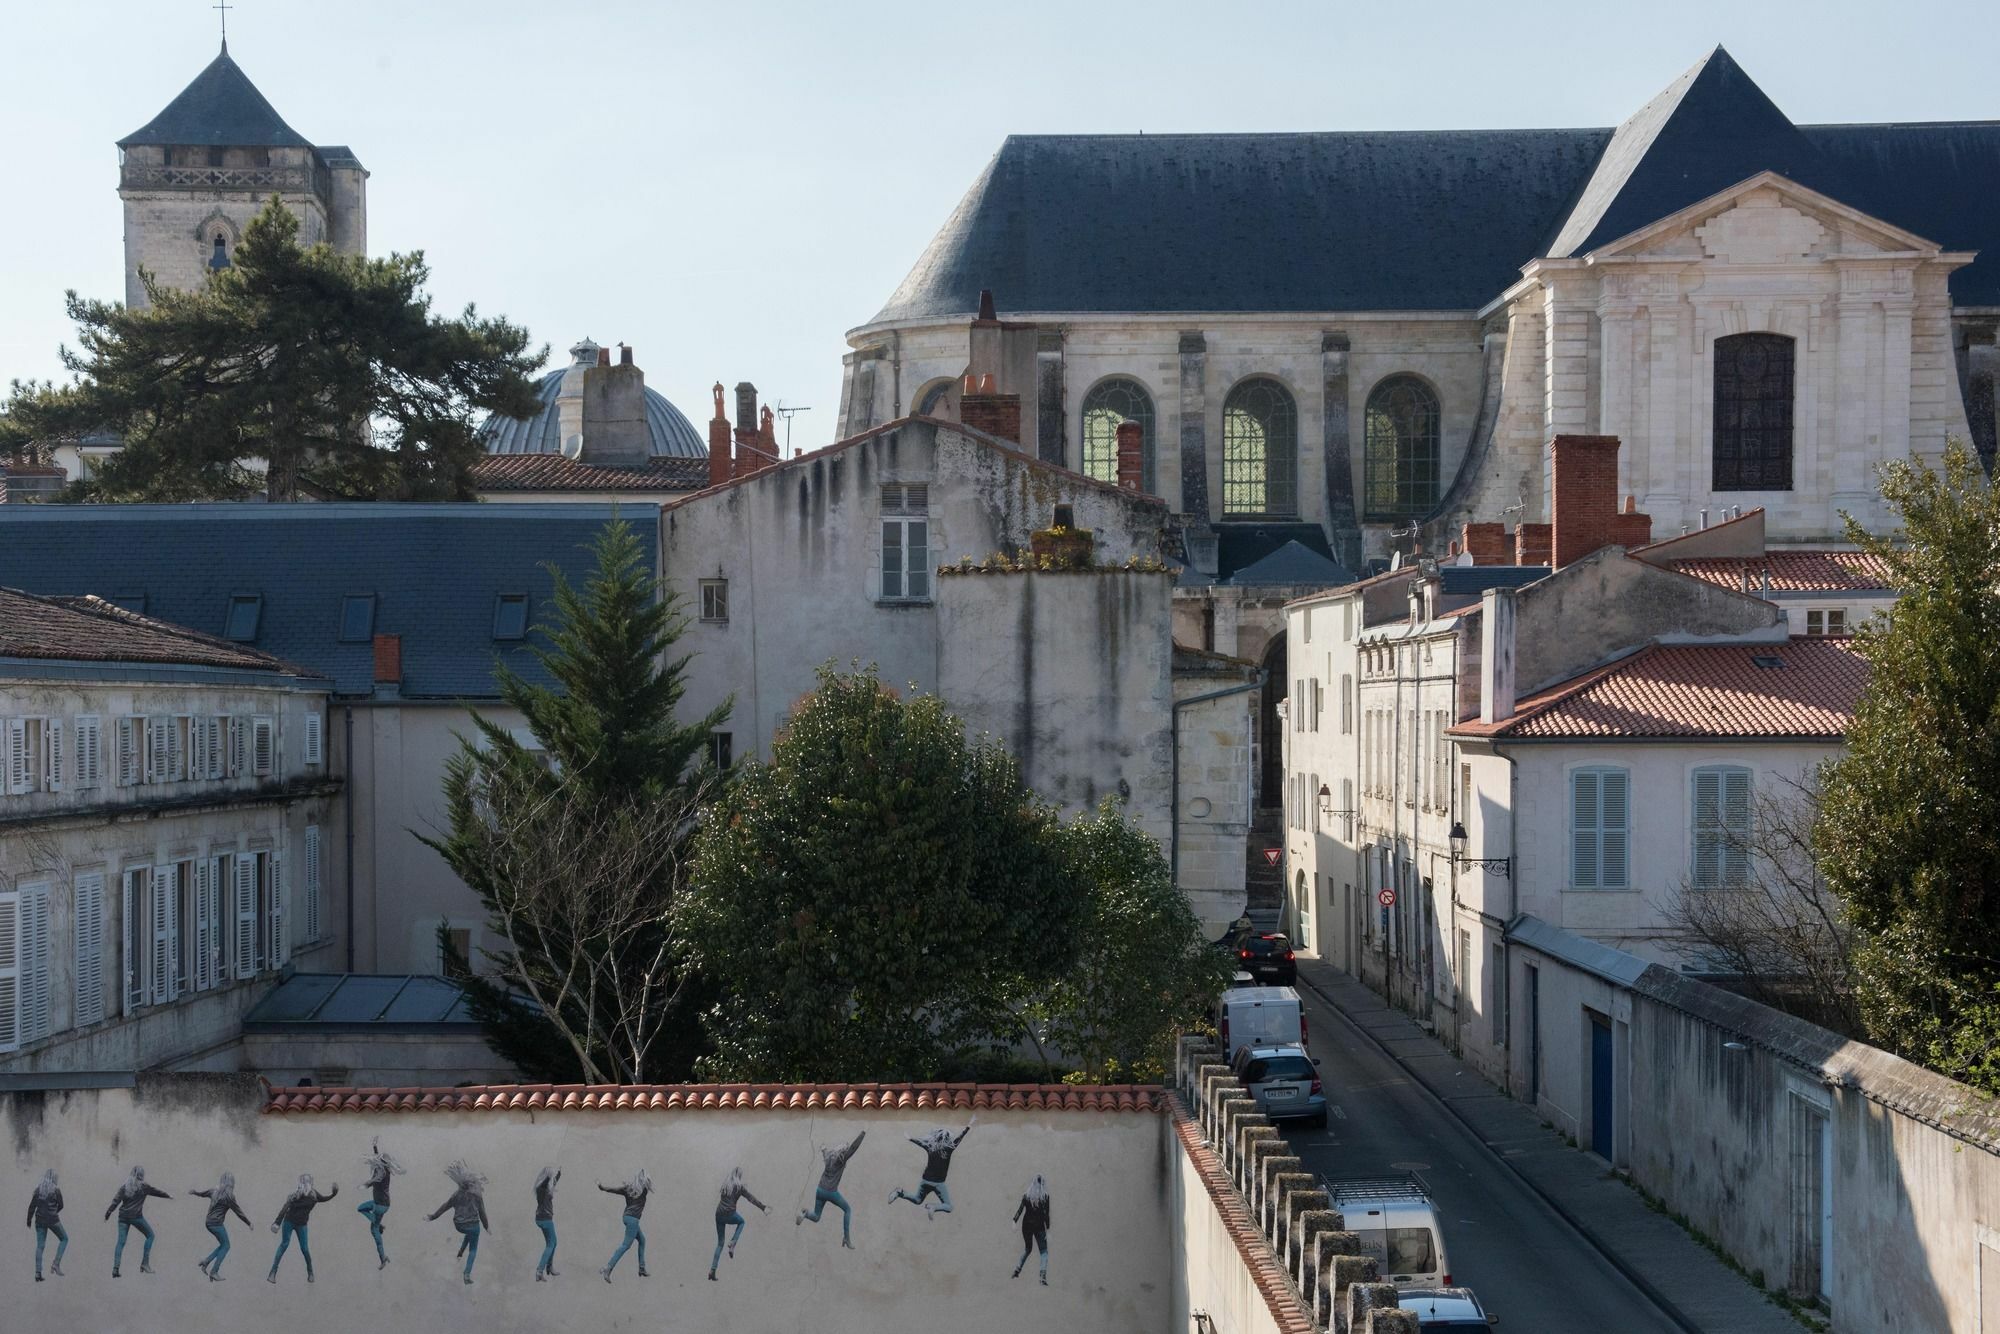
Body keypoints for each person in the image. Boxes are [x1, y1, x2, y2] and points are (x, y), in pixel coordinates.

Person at [889, 1118, 975, 1218]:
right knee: (949, 1207)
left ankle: (900, 1193)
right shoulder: (949, 1148)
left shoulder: (930, 1147)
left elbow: (921, 1143)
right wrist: (968, 1126)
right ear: (947, 1139)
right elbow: (960, 1138)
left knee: (917, 1200)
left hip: (925, 1181)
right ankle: (933, 1207)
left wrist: (910, 1138)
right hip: (939, 1183)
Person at [796, 1130, 865, 1249]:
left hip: (820, 1190)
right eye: (845, 1146)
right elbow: (853, 1147)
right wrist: (863, 1134)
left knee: (816, 1217)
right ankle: (846, 1238)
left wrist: (823, 1148)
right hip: (830, 1192)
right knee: (847, 1210)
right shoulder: (841, 1159)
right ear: (843, 1151)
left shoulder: (829, 1156)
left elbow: (824, 1151)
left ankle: (805, 1214)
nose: (846, 1146)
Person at [427, 1162, 492, 1285]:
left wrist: (433, 1217)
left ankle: (460, 1254)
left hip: (459, 1225)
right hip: (473, 1225)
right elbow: (482, 1212)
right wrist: (486, 1226)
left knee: (470, 1233)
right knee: (473, 1249)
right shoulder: (477, 1195)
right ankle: (467, 1274)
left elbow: (445, 1206)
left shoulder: (456, 1194)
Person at [267, 1174, 337, 1284]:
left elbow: (324, 1198)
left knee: (304, 1249)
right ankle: (273, 1272)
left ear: (311, 1184)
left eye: (308, 1182)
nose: (306, 1185)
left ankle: (310, 1272)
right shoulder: (295, 1195)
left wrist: (334, 1193)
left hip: (302, 1225)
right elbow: (285, 1208)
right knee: (284, 1244)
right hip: (289, 1222)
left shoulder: (314, 1195)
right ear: (300, 1184)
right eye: (303, 1182)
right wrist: (277, 1222)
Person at [104, 1166, 170, 1277]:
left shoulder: (125, 1186)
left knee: (120, 1243)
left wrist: (108, 1213)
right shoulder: (144, 1187)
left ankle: (115, 1269)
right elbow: (157, 1192)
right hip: (136, 1217)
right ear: (141, 1175)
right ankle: (145, 1264)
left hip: (123, 1217)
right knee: (150, 1235)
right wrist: (168, 1196)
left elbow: (115, 1201)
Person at [707, 1167, 767, 1281]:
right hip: (729, 1213)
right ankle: (733, 1242)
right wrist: (762, 1206)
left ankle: (712, 1271)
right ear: (739, 1176)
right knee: (742, 1222)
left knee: (720, 1243)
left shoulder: (726, 1185)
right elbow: (751, 1199)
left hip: (719, 1214)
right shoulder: (739, 1187)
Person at [191, 1172, 251, 1282]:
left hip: (208, 1222)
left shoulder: (214, 1191)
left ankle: (206, 1262)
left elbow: (203, 1194)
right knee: (226, 1246)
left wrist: (195, 1192)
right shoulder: (229, 1196)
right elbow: (238, 1212)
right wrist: (248, 1223)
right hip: (217, 1224)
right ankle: (214, 1271)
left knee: (223, 1245)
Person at [356, 1140, 404, 1270]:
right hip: (383, 1204)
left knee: (372, 1227)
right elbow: (377, 1158)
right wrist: (375, 1146)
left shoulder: (382, 1173)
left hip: (380, 1206)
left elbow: (375, 1179)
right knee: (366, 1215)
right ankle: (383, 1254)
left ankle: (383, 1258)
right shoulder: (382, 1168)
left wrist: (365, 1185)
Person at [597, 1169, 651, 1282]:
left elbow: (612, 1189)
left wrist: (601, 1187)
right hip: (633, 1221)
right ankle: (608, 1267)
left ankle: (642, 1268)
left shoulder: (627, 1189)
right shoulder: (644, 1190)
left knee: (642, 1240)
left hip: (626, 1217)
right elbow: (647, 1182)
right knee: (625, 1245)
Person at [26, 1169, 65, 1281]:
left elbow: (32, 1206)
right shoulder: (56, 1190)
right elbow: (61, 1205)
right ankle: (55, 1264)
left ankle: (38, 1273)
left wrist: (29, 1220)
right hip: (53, 1220)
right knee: (64, 1239)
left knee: (40, 1246)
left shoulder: (38, 1190)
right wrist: (54, 1211)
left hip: (39, 1221)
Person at [1011, 1176, 1051, 1285]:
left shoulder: (1027, 1195)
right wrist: (1048, 1230)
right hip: (1039, 1227)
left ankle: (1016, 1270)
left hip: (1027, 1226)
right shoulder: (1045, 1197)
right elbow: (1046, 1215)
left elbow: (1020, 1210)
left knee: (1028, 1249)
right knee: (1044, 1252)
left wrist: (1014, 1221)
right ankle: (1042, 1277)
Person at [533, 1165, 561, 1281]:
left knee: (553, 1243)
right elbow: (546, 1183)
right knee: (551, 1244)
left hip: (544, 1218)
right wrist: (549, 1177)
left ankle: (549, 1268)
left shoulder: (547, 1188)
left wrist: (559, 1172)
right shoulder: (541, 1188)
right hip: (544, 1219)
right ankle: (540, 1271)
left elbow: (553, 1182)